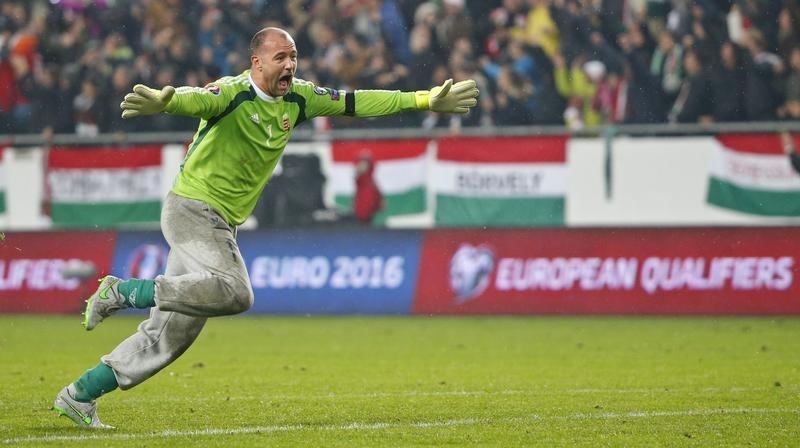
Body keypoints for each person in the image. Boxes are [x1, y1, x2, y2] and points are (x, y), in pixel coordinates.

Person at [52, 26, 479, 428]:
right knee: (236, 291)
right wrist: (166, 103)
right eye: (281, 57)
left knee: (172, 333)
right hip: (193, 209)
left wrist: (424, 101)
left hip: (220, 223)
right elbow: (196, 99)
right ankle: (122, 291)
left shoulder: (300, 99)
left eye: (294, 57)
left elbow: (358, 101)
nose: (290, 65)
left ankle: (81, 393)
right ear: (256, 63)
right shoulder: (234, 92)